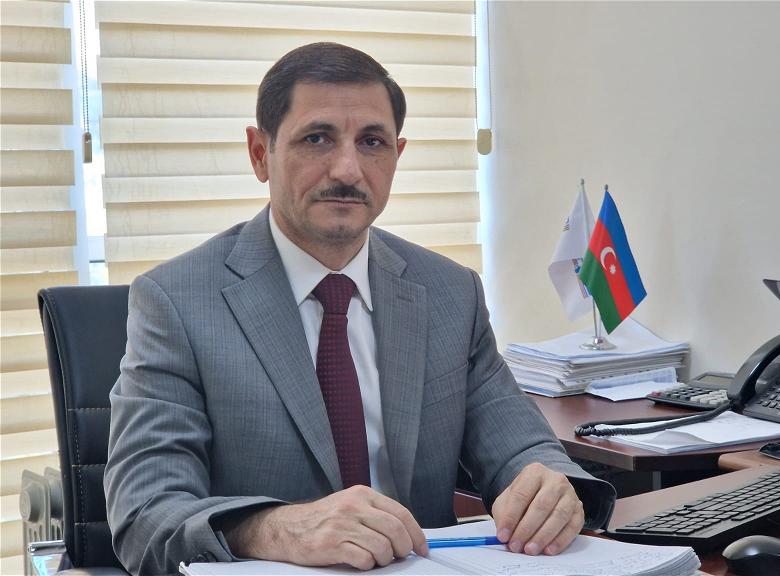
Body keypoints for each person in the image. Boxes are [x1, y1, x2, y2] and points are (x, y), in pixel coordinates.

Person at [104, 42, 615, 575]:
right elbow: (146, 513)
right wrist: (276, 528)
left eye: (372, 142)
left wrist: (549, 487)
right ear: (259, 154)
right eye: (317, 138)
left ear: (397, 154)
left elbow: (521, 448)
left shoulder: (450, 292)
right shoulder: (177, 301)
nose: (347, 170)